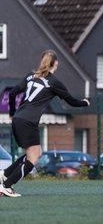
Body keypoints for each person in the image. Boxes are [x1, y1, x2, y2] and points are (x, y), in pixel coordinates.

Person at [0, 50, 90, 197]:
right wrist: (85, 102)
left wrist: (11, 113)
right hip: (28, 122)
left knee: (36, 154)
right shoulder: (54, 82)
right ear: (56, 63)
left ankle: (5, 174)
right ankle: (6, 186)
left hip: (19, 120)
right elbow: (70, 100)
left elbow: (12, 93)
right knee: (33, 158)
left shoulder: (30, 76)